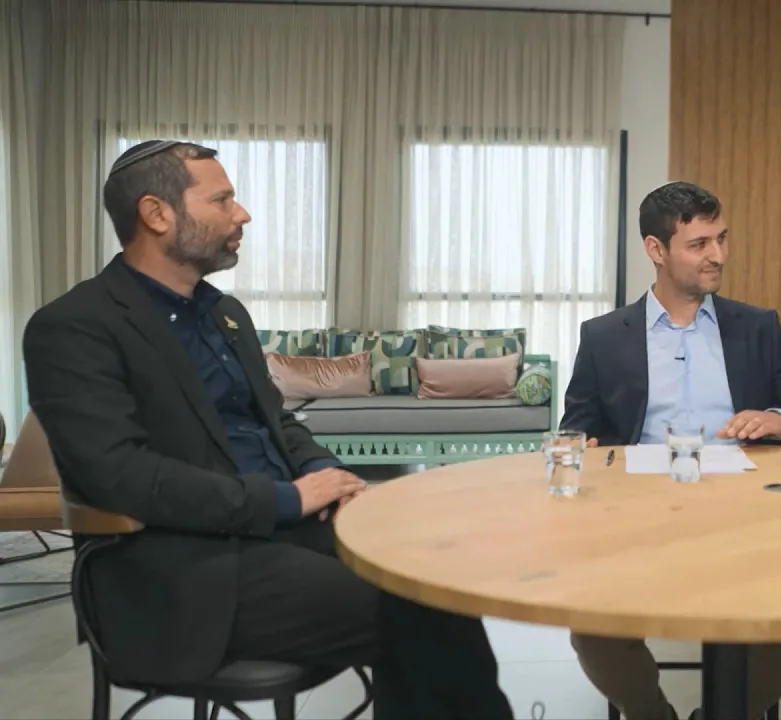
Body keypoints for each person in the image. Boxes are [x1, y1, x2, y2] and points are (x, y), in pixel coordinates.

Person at [23, 140, 514, 720]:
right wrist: (287, 499)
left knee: (436, 575)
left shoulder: (225, 314)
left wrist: (325, 473)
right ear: (156, 214)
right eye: (222, 200)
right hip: (181, 570)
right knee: (416, 606)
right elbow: (120, 476)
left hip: (282, 536)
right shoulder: (74, 327)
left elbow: (276, 419)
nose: (243, 214)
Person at [559, 181, 781, 720]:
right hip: (636, 519)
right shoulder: (604, 337)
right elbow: (577, 430)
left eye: (722, 239)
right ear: (656, 250)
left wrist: (777, 419)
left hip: (747, 515)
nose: (718, 255)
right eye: (699, 244)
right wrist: (587, 448)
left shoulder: (756, 328)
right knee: (592, 625)